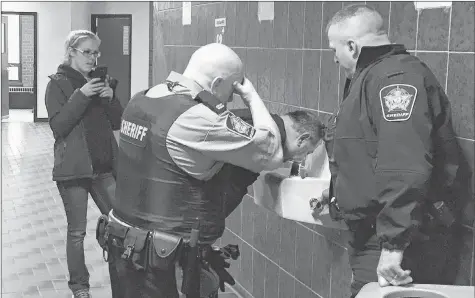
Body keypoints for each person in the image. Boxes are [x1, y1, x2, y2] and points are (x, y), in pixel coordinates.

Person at [99, 43, 287, 298]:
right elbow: (272, 152)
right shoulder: (196, 117)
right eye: (232, 89)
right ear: (218, 82)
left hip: (124, 245)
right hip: (164, 262)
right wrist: (251, 95)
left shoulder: (142, 99)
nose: (231, 98)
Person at [324, 4, 472, 297]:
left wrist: (393, 245)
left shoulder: (395, 80)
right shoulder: (372, 76)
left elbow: (405, 165)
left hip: (404, 241)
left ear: (352, 46)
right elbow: (365, 154)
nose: (334, 59)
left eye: (335, 50)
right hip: (380, 230)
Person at [45, 30, 123, 298]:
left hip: (103, 168)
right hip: (73, 170)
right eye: (87, 52)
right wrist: (81, 95)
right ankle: (80, 287)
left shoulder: (101, 82)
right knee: (77, 232)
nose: (92, 58)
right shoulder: (57, 84)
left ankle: (124, 279)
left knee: (121, 225)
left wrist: (111, 97)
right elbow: (58, 126)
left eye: (95, 53)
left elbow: (118, 121)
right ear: (71, 52)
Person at [214, 108, 326, 218]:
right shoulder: (262, 138)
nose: (301, 159)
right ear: (302, 139)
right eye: (307, 152)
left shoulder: (257, 121)